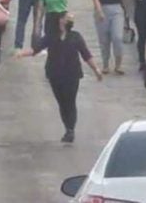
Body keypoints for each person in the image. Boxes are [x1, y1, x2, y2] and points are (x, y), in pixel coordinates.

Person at [16, 12, 103, 143]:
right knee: (62, 102)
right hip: (55, 74)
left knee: (70, 101)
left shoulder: (76, 37)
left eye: (70, 18)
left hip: (72, 74)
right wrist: (21, 53)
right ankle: (67, 127)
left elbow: (86, 55)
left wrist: (96, 69)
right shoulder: (51, 37)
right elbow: (36, 49)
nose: (69, 20)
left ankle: (70, 129)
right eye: (66, 18)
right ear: (60, 21)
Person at [90, 0, 128, 75]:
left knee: (117, 37)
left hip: (117, 9)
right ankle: (105, 64)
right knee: (104, 40)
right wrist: (99, 10)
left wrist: (125, 11)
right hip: (103, 9)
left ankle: (118, 64)